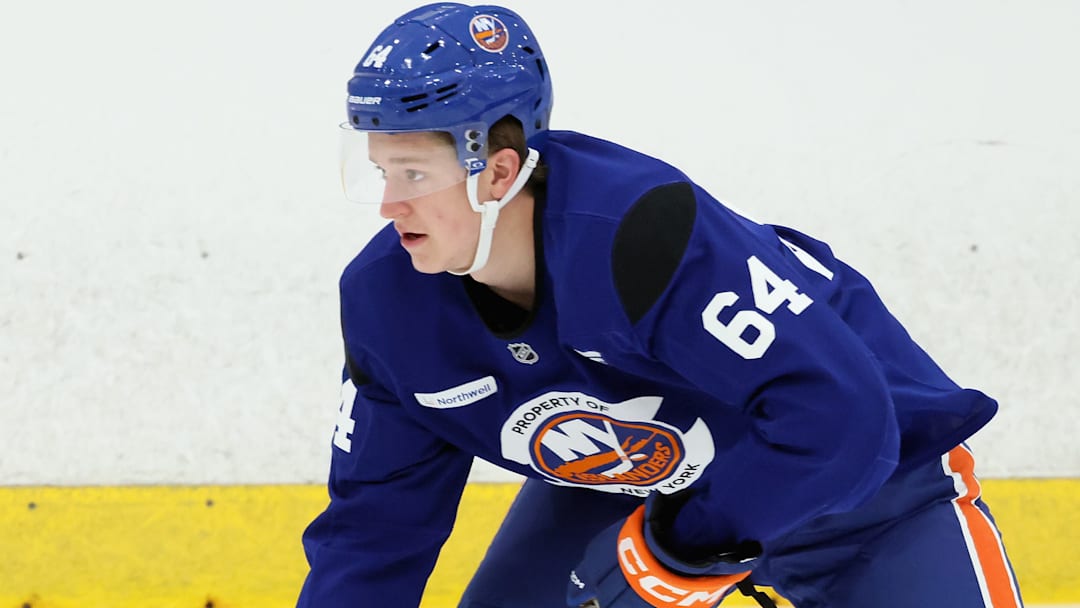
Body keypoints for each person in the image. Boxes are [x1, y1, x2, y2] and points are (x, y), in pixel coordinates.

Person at [297, 4, 1025, 607]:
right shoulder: (386, 303)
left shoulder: (640, 237)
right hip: (637, 490)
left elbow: (841, 423)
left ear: (500, 172)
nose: (390, 203)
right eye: (379, 171)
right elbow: (372, 532)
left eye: (414, 172)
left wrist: (678, 549)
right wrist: (663, 540)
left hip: (869, 492)